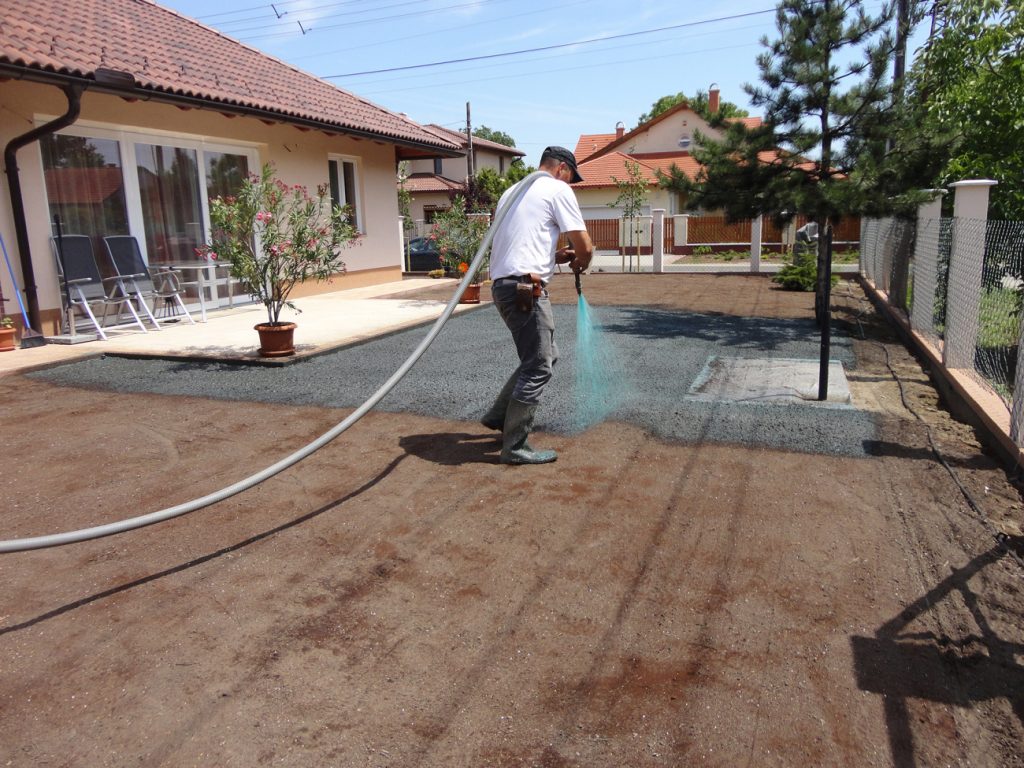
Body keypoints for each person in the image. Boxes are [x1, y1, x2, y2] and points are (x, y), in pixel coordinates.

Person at [481, 146, 594, 465]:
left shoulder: (513, 191)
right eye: (571, 177)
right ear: (562, 169)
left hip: (504, 287)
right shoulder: (557, 188)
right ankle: (515, 445)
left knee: (544, 355)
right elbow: (583, 243)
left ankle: (499, 416)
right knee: (539, 364)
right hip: (525, 289)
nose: (570, 184)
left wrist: (552, 257)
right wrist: (583, 260)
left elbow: (520, 240)